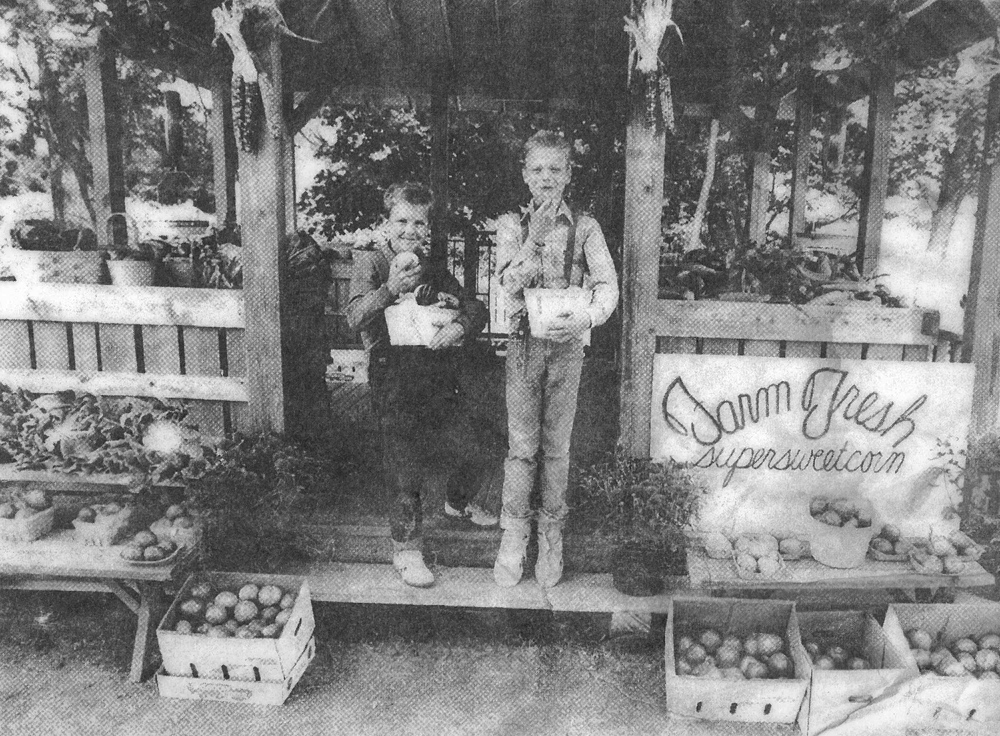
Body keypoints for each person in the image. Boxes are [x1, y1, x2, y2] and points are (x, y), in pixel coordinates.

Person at [346, 182, 498, 588]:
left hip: (435, 370)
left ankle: (456, 502)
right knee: (404, 461)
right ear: (387, 221)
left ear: (427, 226)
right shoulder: (371, 260)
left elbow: (475, 306)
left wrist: (461, 325)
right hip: (392, 373)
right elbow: (352, 318)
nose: (410, 229)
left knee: (480, 441)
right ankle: (406, 548)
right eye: (402, 220)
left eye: (419, 222)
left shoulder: (430, 264)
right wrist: (390, 290)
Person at [492, 131, 619, 588]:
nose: (546, 178)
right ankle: (513, 537)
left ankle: (551, 537)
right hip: (525, 346)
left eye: (555, 169)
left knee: (557, 448)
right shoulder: (511, 225)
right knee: (521, 448)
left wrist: (587, 316)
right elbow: (508, 283)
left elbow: (608, 286)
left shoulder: (586, 226)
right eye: (537, 169)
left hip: (567, 347)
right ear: (525, 175)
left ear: (568, 174)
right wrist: (535, 240)